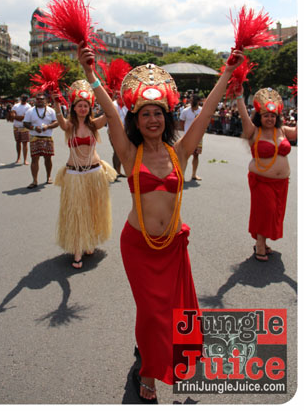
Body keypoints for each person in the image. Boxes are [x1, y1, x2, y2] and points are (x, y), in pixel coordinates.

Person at [78, 42, 244, 402]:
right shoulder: (128, 151)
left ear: (166, 118)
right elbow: (108, 105)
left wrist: (227, 73)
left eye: (158, 113)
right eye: (144, 114)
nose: (152, 119)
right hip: (138, 245)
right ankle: (148, 372)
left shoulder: (180, 151)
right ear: (135, 121)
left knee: (177, 312)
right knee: (152, 314)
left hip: (172, 246)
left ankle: (162, 358)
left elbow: (206, 113)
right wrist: (91, 75)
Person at [51, 80, 117, 269]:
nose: (82, 108)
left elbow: (109, 114)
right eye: (79, 105)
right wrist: (56, 102)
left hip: (94, 173)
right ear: (74, 107)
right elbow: (61, 122)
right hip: (74, 175)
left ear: (90, 108)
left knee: (93, 210)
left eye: (85, 106)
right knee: (77, 212)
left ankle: (89, 242)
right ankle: (78, 251)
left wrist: (109, 97)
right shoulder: (69, 126)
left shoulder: (95, 125)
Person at [236, 87, 297, 261]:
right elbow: (243, 115)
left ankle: (262, 240)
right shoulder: (253, 132)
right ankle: (260, 245)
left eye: (272, 115)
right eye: (266, 115)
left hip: (281, 183)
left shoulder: (283, 131)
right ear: (260, 117)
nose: (269, 118)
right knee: (266, 211)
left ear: (277, 117)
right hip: (261, 181)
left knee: (275, 213)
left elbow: (297, 131)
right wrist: (239, 95)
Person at [23, 93, 59, 188]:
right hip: (35, 137)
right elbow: (26, 123)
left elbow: (56, 122)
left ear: (46, 100)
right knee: (35, 159)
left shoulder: (51, 111)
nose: (39, 101)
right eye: (38, 99)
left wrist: (48, 126)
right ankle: (34, 180)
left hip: (47, 137)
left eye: (41, 99)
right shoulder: (30, 111)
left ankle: (49, 176)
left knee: (48, 158)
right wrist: (34, 127)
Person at [178, 93, 203, 180]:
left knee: (196, 155)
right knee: (185, 156)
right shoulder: (185, 111)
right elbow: (181, 121)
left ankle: (194, 174)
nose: (192, 102)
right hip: (187, 136)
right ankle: (182, 175)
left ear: (198, 101)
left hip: (198, 137)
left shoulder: (201, 111)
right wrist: (186, 131)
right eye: (191, 100)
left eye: (194, 100)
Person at [110, 91, 128, 177]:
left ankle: (118, 171)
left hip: (125, 131)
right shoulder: (113, 105)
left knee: (121, 151)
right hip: (114, 130)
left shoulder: (127, 105)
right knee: (117, 151)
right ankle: (115, 172)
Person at [11, 94, 32, 164]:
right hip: (16, 126)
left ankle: (25, 159)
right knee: (18, 142)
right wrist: (20, 117)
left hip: (25, 127)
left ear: (27, 99)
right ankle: (18, 158)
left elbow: (26, 116)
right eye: (23, 98)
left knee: (25, 143)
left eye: (25, 98)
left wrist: (17, 117)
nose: (24, 99)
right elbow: (12, 115)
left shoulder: (28, 106)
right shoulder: (16, 106)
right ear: (21, 98)